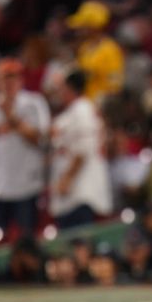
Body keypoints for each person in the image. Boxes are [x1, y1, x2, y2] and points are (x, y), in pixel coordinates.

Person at [0, 58, 51, 238]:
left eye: (13, 76)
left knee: (27, 239)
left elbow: (42, 140)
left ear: (21, 79)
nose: (9, 82)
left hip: (27, 185)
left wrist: (11, 118)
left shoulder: (34, 103)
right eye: (5, 77)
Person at [48, 70, 113, 229]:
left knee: (80, 242)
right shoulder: (73, 111)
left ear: (69, 88)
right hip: (73, 193)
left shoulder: (82, 109)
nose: (58, 91)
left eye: (61, 87)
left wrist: (67, 179)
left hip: (81, 191)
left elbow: (84, 149)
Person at [66, 0, 124, 106]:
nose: (79, 29)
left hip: (100, 105)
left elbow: (115, 83)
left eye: (83, 26)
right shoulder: (85, 47)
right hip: (83, 102)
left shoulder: (110, 50)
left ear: (93, 27)